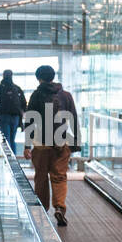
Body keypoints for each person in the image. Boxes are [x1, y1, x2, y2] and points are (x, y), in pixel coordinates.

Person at [22, 65, 79, 227]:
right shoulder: (66, 95)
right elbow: (74, 118)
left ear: (38, 78)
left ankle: (41, 210)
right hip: (62, 142)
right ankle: (60, 207)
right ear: (53, 77)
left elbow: (30, 121)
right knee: (59, 176)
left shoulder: (36, 95)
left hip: (41, 144)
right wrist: (75, 143)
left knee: (41, 177)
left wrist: (27, 145)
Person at [0, 69, 27, 153]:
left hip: (3, 115)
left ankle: (8, 160)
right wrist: (23, 112)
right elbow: (24, 102)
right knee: (12, 139)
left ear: (3, 75)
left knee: (6, 138)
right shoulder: (17, 88)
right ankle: (14, 158)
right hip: (15, 117)